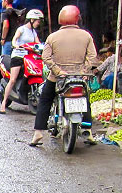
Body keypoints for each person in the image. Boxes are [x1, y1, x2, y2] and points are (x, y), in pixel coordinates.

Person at [31, 5, 98, 146]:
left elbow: (46, 57)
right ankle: (88, 132)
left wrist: (57, 70)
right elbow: (93, 57)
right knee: (85, 100)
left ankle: (38, 133)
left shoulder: (53, 37)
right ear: (77, 19)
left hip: (57, 77)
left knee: (45, 99)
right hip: (79, 77)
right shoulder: (86, 36)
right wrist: (84, 71)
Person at [0, 9, 43, 114]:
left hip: (29, 57)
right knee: (13, 79)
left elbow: (38, 43)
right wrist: (15, 45)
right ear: (32, 20)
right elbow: (15, 39)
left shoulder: (33, 32)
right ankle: (3, 104)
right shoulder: (21, 29)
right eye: (38, 21)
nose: (39, 23)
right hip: (18, 56)